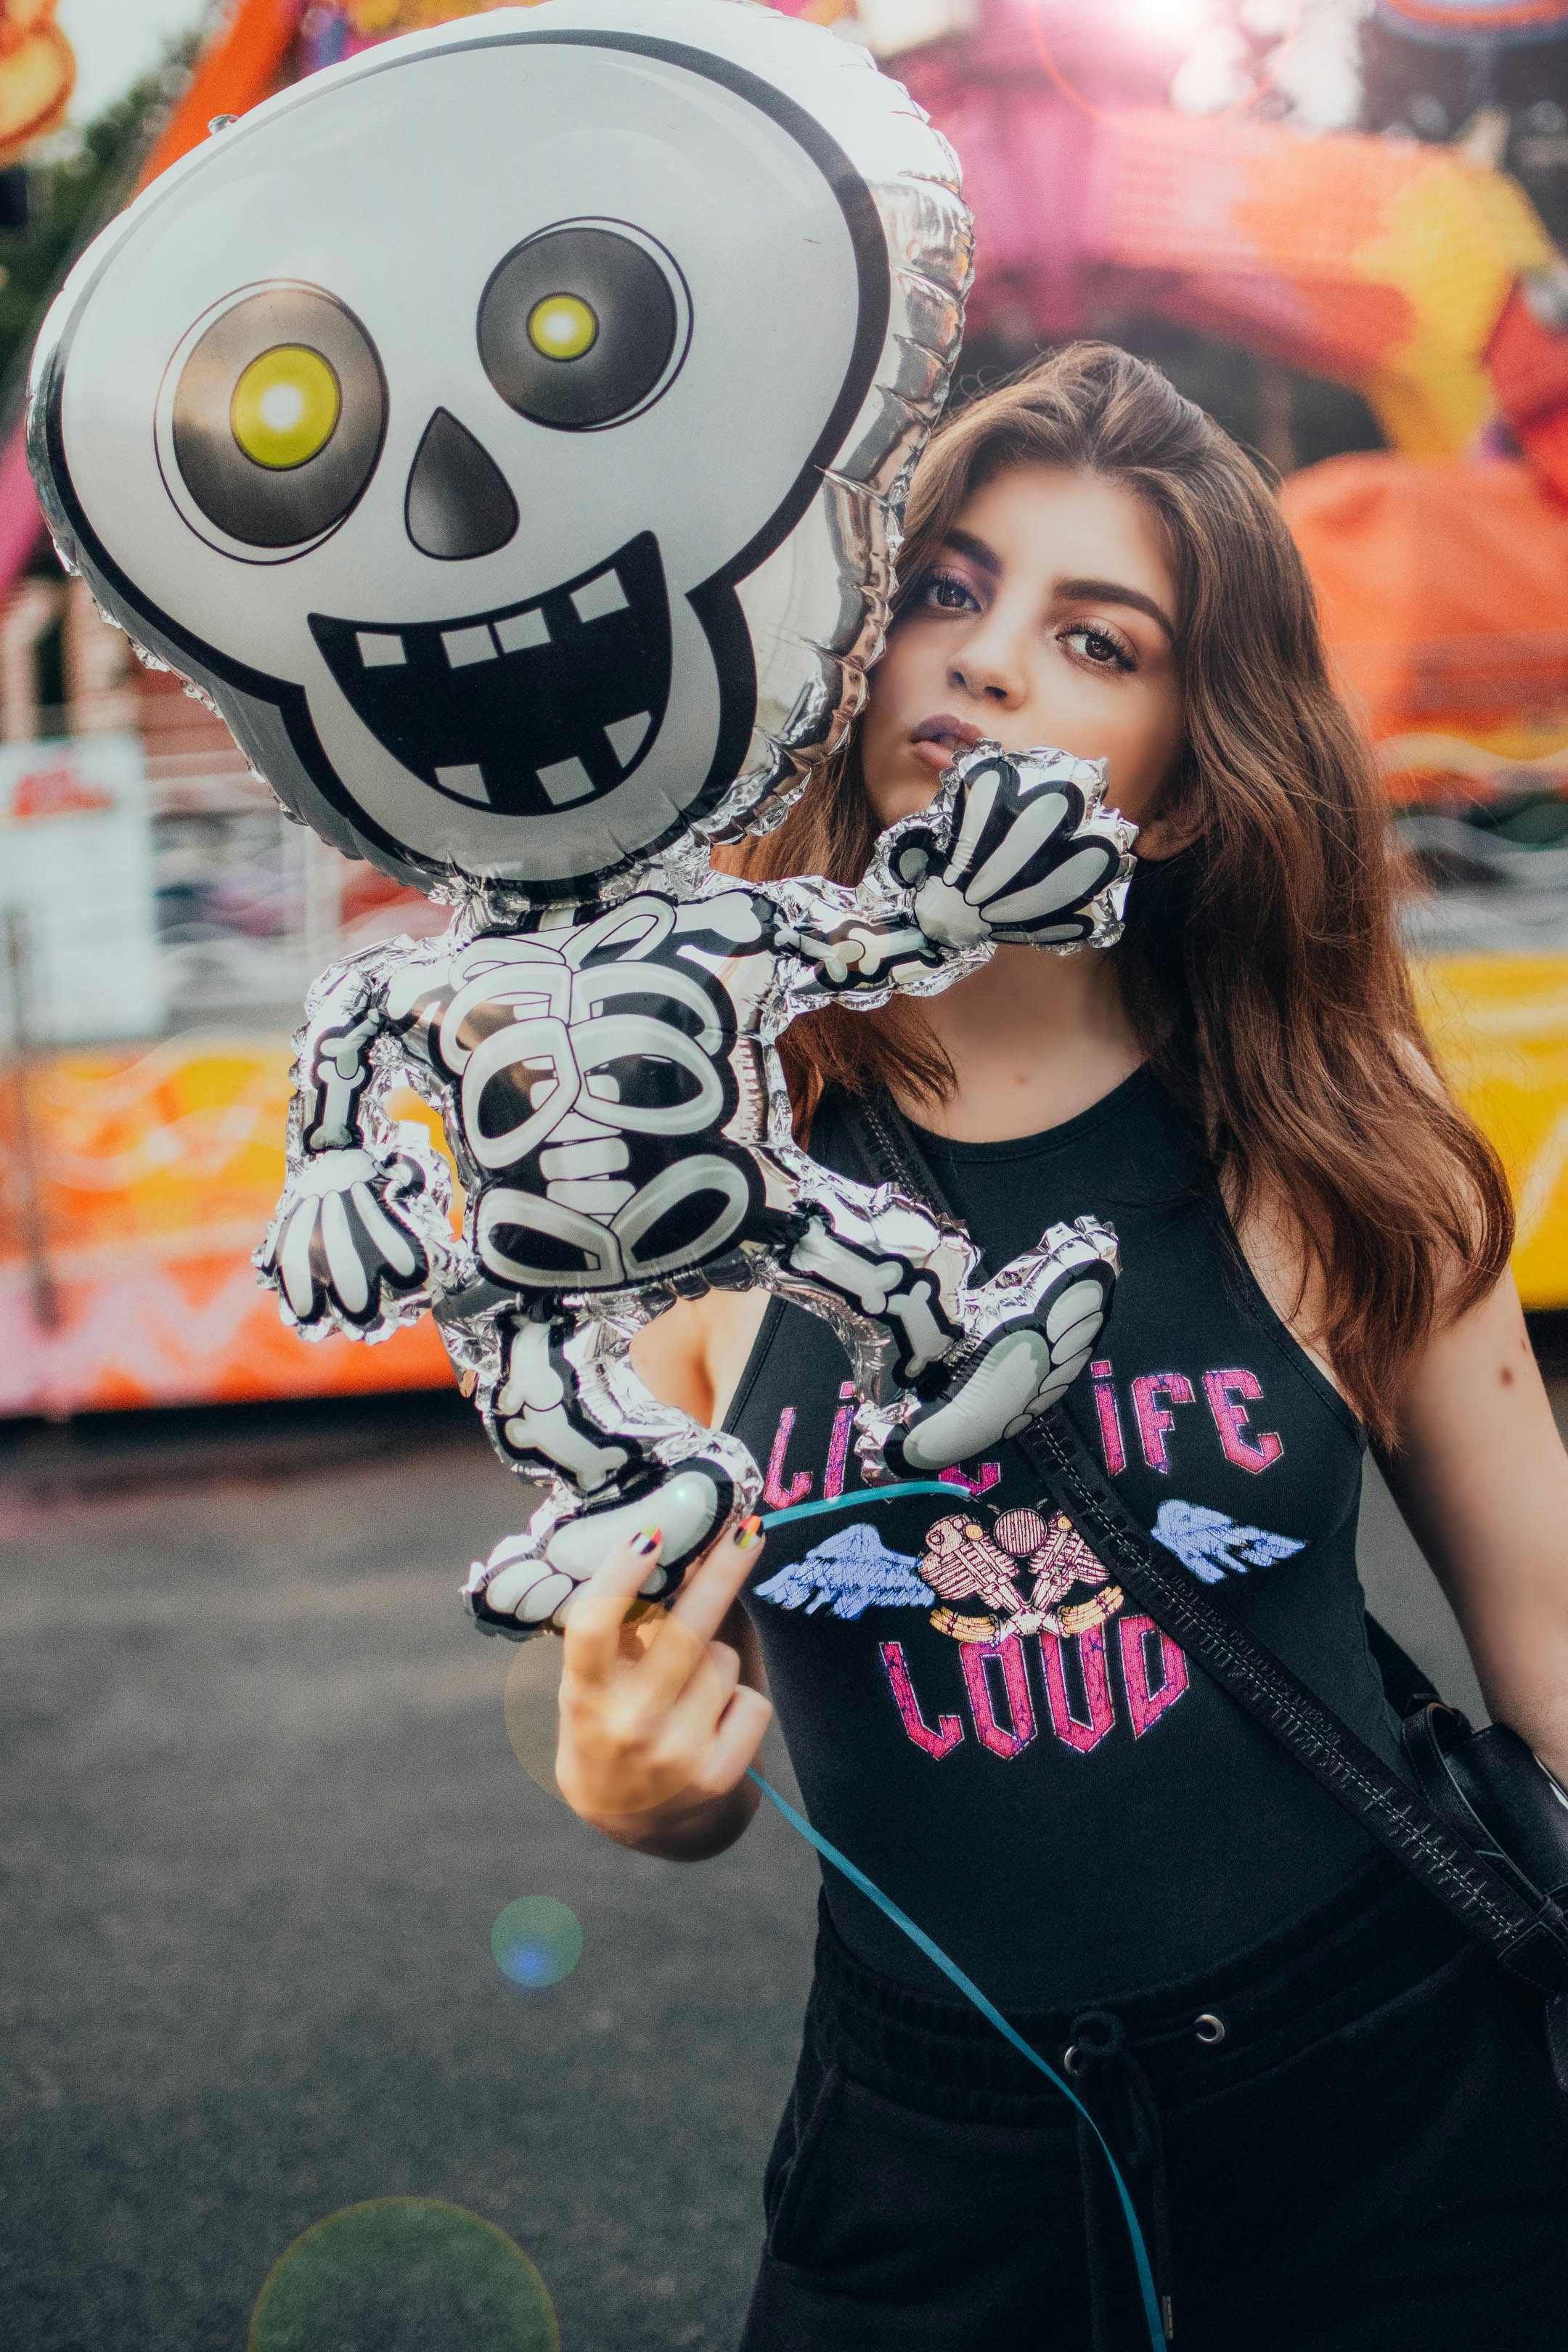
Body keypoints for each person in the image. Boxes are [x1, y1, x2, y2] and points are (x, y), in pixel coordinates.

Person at [547, 344, 1568, 2348]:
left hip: (1390, 2104)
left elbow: (1553, 1648)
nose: (988, 660)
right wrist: (628, 1787)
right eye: (948, 587)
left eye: (1094, 638)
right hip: (934, 2160)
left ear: (1185, 783)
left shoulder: (1336, 1160)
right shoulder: (689, 1190)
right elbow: (643, 1673)